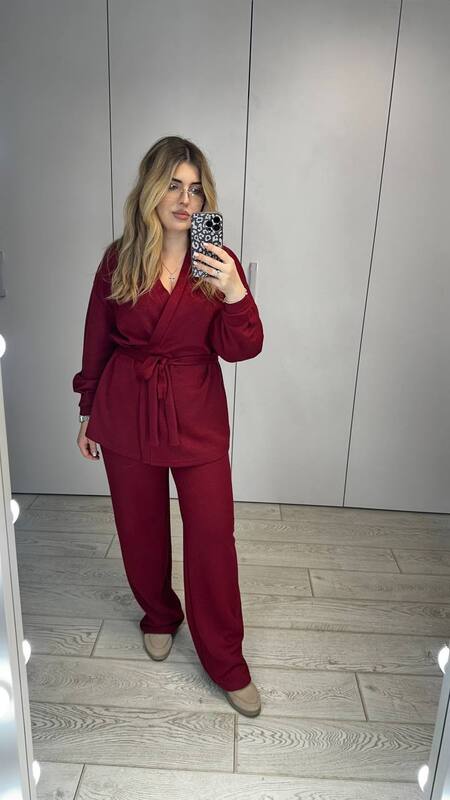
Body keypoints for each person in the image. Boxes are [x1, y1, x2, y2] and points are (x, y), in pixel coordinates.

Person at [72, 135, 264, 717]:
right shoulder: (119, 257)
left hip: (195, 409)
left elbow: (242, 347)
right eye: (174, 185)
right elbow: (97, 337)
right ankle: (159, 614)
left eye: (195, 188)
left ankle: (225, 659)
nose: (185, 199)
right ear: (151, 190)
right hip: (126, 406)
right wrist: (88, 409)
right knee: (139, 527)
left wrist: (235, 292)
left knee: (213, 537)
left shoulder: (215, 257)